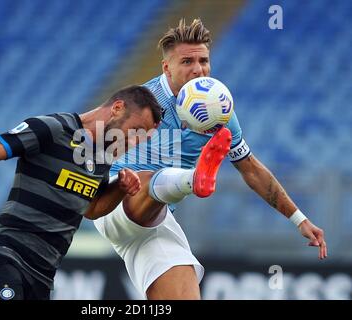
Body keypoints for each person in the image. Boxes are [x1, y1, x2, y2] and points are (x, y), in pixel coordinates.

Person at [92, 18, 327, 300]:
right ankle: (194, 179)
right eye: (187, 62)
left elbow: (250, 168)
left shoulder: (219, 111)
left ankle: (193, 180)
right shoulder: (141, 101)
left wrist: (299, 219)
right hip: (116, 202)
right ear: (167, 67)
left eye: (203, 60)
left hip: (157, 221)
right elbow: (93, 139)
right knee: (139, 179)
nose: (198, 69)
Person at [0, 85, 162, 300]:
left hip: (42, 275)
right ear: (117, 108)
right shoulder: (53, 128)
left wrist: (119, 189)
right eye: (134, 132)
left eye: (140, 139)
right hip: (3, 255)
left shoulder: (103, 156)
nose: (133, 142)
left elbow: (91, 209)